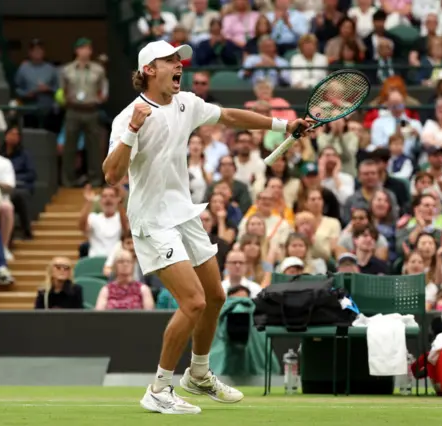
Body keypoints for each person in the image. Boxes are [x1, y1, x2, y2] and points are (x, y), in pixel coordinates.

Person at [103, 40, 312, 414]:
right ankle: (159, 388)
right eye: (170, 60)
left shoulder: (188, 104)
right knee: (193, 301)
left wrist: (283, 125)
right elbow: (111, 175)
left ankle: (198, 375)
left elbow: (231, 116)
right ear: (149, 70)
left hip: (184, 213)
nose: (179, 65)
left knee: (215, 296)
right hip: (152, 221)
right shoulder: (128, 116)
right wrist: (133, 130)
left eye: (180, 60)